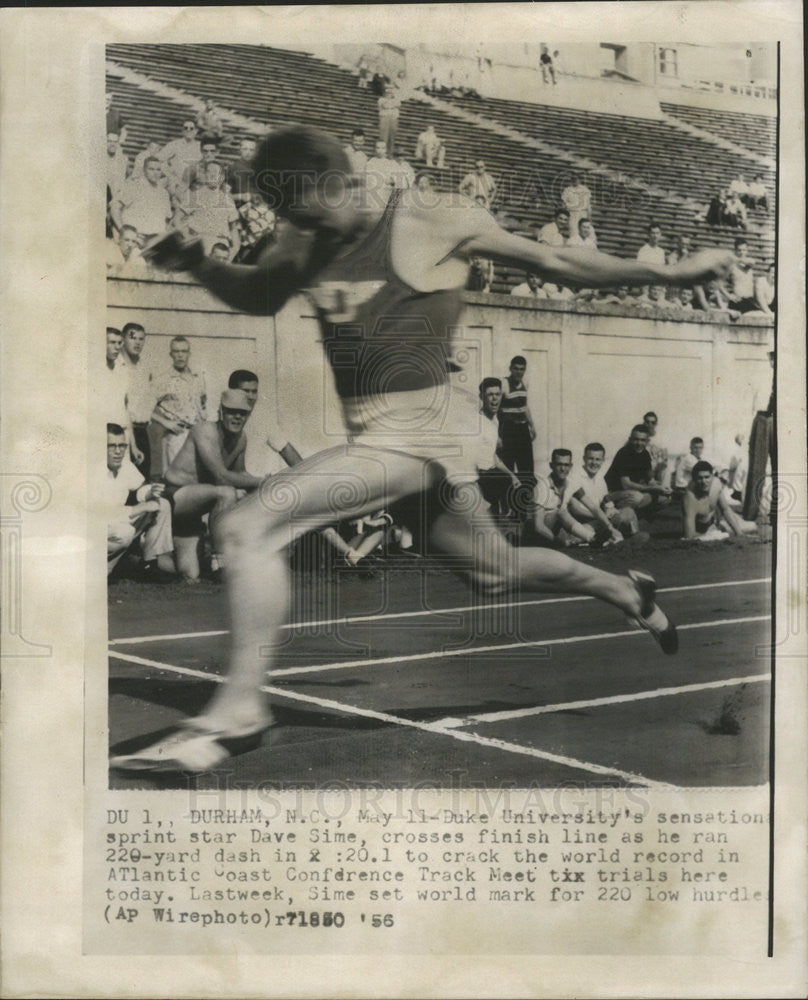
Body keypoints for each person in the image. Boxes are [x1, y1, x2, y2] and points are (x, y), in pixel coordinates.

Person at [116, 123, 733, 772]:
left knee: (244, 525)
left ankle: (241, 710)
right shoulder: (304, 235)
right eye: (294, 221)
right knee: (494, 571)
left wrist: (672, 269)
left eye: (314, 215)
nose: (309, 232)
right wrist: (198, 263)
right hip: (386, 438)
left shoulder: (430, 220)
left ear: (343, 181)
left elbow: (557, 262)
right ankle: (625, 592)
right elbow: (260, 292)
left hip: (421, 434)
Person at [162, 389, 262, 582]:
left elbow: (240, 474)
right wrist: (263, 481)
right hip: (174, 497)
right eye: (232, 411)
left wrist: (267, 485)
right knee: (226, 493)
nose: (237, 417)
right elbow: (222, 476)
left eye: (242, 413)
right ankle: (221, 559)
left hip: (193, 512)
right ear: (221, 412)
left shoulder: (241, 439)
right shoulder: (205, 429)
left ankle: (142, 558)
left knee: (190, 575)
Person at [106, 423, 175, 577]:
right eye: (111, 446)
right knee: (125, 532)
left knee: (161, 504)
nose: (118, 451)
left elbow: (139, 489)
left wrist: (151, 492)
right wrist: (140, 508)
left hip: (115, 524)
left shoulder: (123, 463)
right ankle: (103, 569)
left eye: (122, 446)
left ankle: (149, 563)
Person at [147, 335, 208, 479]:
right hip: (177, 436)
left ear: (189, 353)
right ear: (171, 354)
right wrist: (166, 423)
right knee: (176, 479)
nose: (180, 355)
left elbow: (203, 405)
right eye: (176, 351)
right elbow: (145, 409)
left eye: (184, 351)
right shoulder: (162, 380)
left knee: (198, 477)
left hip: (197, 435)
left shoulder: (197, 378)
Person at [566, 443, 639, 542]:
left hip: (599, 519)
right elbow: (575, 510)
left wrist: (611, 511)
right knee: (576, 536)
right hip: (582, 521)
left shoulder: (600, 478)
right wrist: (602, 516)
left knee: (628, 512)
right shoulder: (574, 476)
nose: (594, 463)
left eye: (598, 459)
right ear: (584, 458)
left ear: (603, 460)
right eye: (590, 458)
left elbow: (608, 504)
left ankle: (632, 538)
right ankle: (614, 536)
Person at [173, 162, 241, 258]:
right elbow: (177, 220)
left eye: (216, 172)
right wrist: (188, 238)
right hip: (201, 244)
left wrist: (235, 249)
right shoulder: (195, 196)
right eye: (209, 171)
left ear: (221, 177)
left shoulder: (228, 200)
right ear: (205, 175)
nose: (212, 175)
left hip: (222, 246)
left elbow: (234, 228)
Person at [474, 378, 520, 514]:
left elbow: (492, 456)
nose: (495, 399)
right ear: (481, 396)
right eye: (490, 395)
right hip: (481, 481)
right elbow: (468, 459)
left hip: (493, 480)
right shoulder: (476, 424)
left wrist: (513, 476)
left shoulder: (495, 420)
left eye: (498, 394)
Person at [604, 425, 672, 517]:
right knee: (637, 497)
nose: (639, 443)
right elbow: (626, 484)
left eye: (643, 440)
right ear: (630, 439)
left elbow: (650, 481)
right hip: (613, 493)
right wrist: (654, 488)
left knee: (664, 498)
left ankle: (636, 514)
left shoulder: (645, 454)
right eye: (636, 439)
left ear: (647, 441)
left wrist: (662, 488)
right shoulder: (624, 453)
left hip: (630, 493)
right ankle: (617, 513)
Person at [530, 450, 592, 546]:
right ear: (551, 465)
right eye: (559, 464)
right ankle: (592, 538)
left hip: (554, 532)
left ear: (571, 466)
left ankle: (591, 538)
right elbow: (538, 527)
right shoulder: (542, 487)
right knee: (561, 512)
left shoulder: (569, 484)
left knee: (591, 523)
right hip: (537, 536)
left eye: (566, 465)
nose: (563, 469)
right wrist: (560, 542)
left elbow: (590, 507)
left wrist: (606, 523)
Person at [682, 461, 756, 541]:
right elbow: (689, 536)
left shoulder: (716, 484)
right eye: (700, 478)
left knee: (753, 526)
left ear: (712, 477)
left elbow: (725, 509)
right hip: (701, 532)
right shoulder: (689, 497)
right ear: (694, 479)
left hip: (716, 524)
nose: (703, 482)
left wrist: (739, 533)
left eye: (707, 477)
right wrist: (713, 536)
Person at [117, 321, 155, 474]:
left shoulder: (144, 368)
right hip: (123, 431)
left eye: (141, 339)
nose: (137, 342)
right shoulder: (116, 366)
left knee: (143, 478)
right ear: (123, 339)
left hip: (143, 431)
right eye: (133, 338)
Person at [111, 156, 172, 245]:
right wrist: (123, 231)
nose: (155, 173)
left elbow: (166, 219)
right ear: (144, 170)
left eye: (158, 170)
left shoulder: (164, 193)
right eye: (151, 169)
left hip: (155, 241)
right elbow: (114, 207)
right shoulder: (133, 186)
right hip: (135, 239)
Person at [498, 355, 537, 493]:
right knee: (508, 469)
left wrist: (532, 426)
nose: (519, 372)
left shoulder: (525, 382)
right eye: (516, 369)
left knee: (527, 469)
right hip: (509, 429)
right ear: (510, 368)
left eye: (522, 369)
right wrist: (498, 435)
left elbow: (524, 407)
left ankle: (524, 505)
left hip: (523, 429)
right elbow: (495, 410)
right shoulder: (503, 384)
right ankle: (508, 505)